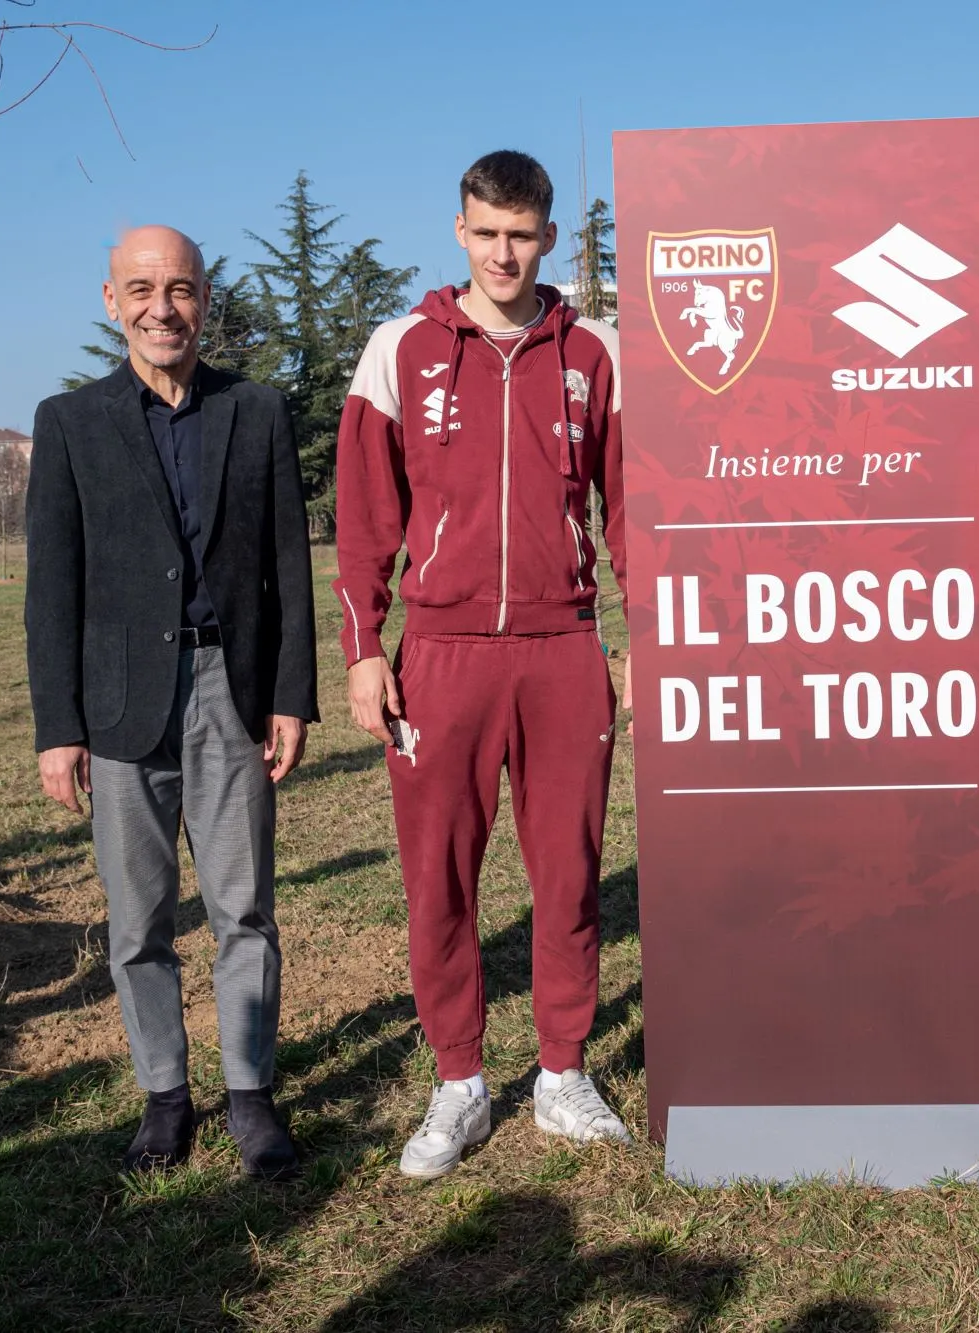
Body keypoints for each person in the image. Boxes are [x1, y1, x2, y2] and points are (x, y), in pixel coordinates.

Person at [334, 150, 631, 1178]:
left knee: (567, 872)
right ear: (458, 231)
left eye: (522, 233)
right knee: (440, 879)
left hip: (562, 650)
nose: (504, 252)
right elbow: (366, 519)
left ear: (547, 237)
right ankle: (458, 1078)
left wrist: (636, 637)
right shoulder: (400, 350)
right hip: (443, 654)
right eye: (486, 232)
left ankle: (560, 1070)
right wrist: (364, 649)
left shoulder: (594, 351)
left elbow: (628, 506)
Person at [26, 226, 318, 1178]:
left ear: (204, 301)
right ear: (111, 302)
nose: (164, 307)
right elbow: (52, 587)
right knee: (138, 922)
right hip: (118, 709)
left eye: (182, 289)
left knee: (245, 908)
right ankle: (164, 1095)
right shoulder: (69, 424)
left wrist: (289, 695)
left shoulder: (259, 411)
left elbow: (287, 567)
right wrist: (58, 728)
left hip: (230, 692)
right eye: (143, 289)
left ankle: (249, 1093)